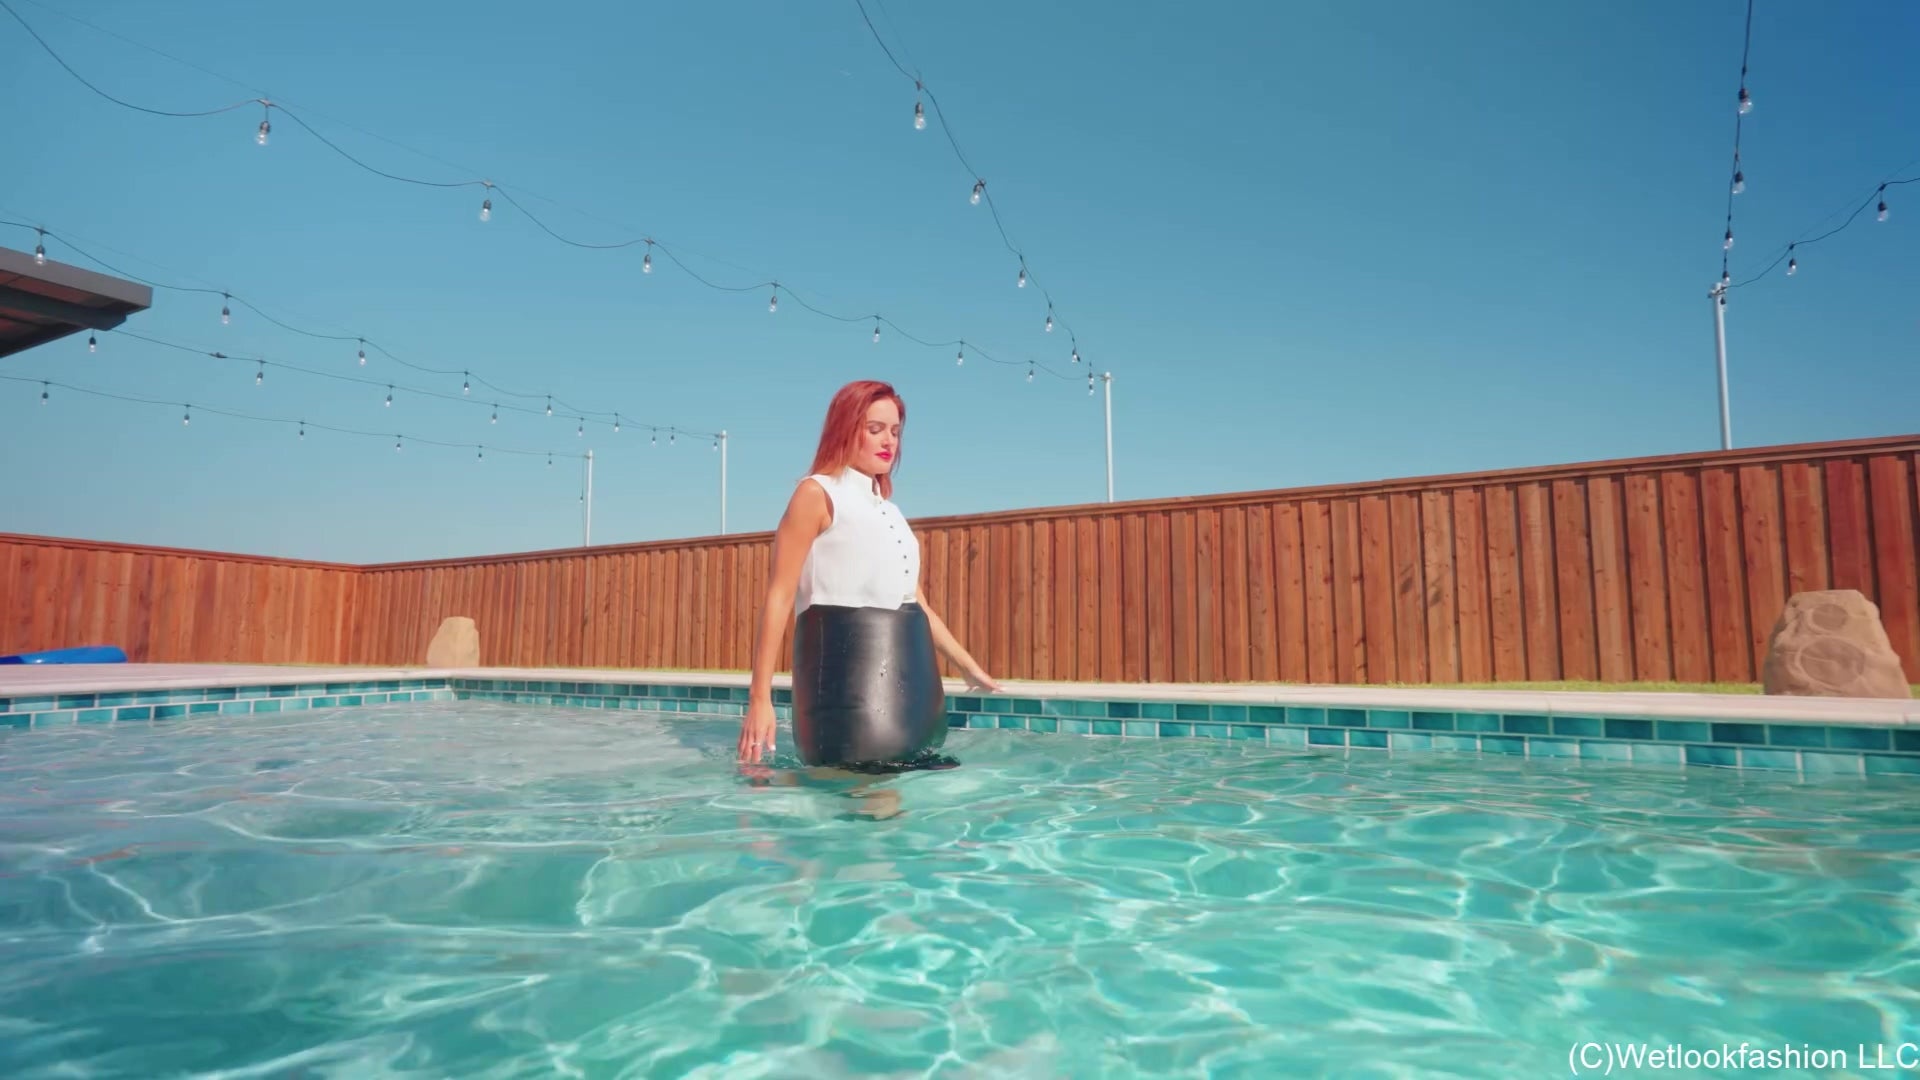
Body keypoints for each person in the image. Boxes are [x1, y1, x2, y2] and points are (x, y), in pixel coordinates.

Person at [737, 379, 1000, 767]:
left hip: (909, 694)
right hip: (848, 694)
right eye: (875, 429)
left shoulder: (890, 512)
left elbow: (917, 605)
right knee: (868, 807)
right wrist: (760, 700)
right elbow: (779, 596)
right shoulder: (817, 494)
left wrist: (969, 667)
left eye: (895, 431)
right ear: (845, 428)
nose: (889, 441)